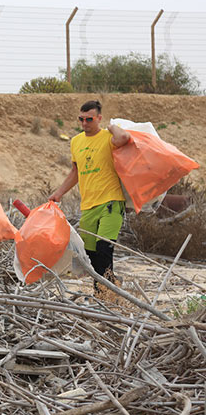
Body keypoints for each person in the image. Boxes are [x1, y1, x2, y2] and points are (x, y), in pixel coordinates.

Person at [48, 100, 131, 293]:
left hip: (111, 202)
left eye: (89, 119)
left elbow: (124, 137)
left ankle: (106, 293)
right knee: (90, 254)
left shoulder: (108, 137)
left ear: (99, 118)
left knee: (104, 249)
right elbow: (75, 171)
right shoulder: (76, 141)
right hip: (88, 206)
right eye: (81, 119)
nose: (84, 123)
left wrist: (111, 126)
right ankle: (105, 289)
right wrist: (59, 193)